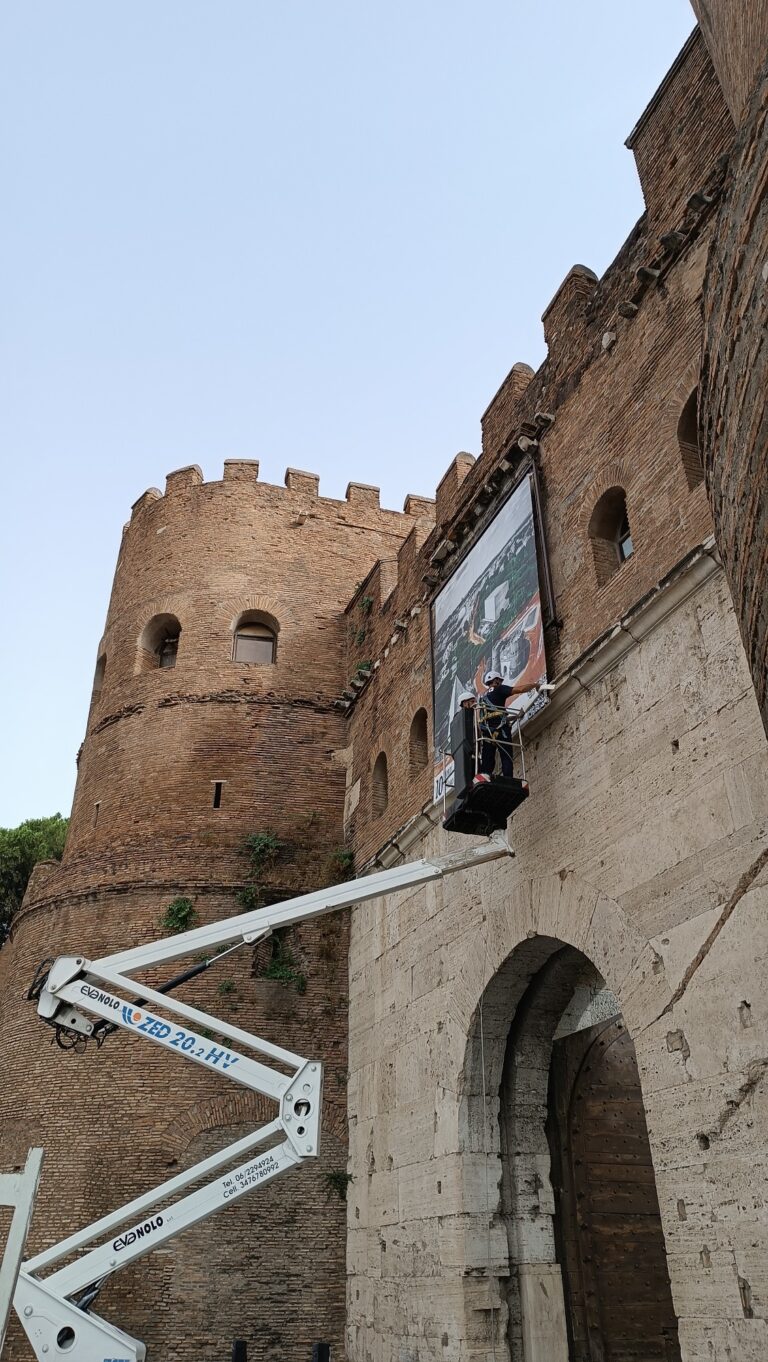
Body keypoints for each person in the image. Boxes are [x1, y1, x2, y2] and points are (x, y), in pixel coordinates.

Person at [477, 669, 530, 779]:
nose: (500, 683)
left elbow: (493, 716)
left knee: (487, 759)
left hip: (488, 733)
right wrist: (535, 684)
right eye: (499, 681)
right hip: (502, 731)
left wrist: (514, 716)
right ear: (495, 681)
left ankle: (484, 779)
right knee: (506, 756)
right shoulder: (499, 689)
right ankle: (508, 779)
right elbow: (519, 689)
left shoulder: (483, 698)